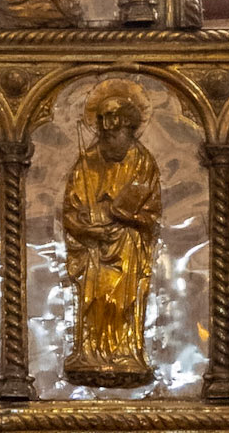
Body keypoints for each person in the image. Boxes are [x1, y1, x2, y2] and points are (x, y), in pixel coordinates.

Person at [63, 78, 163, 386]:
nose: (110, 134)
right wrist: (90, 228)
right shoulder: (87, 162)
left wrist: (122, 214)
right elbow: (71, 211)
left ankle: (126, 352)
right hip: (95, 249)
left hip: (128, 246)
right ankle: (90, 353)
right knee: (94, 302)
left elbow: (149, 212)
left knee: (124, 302)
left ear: (130, 128)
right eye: (104, 127)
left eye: (117, 128)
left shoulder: (143, 162)